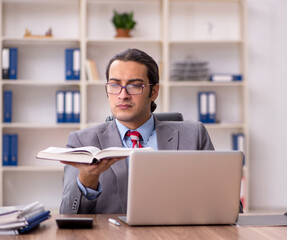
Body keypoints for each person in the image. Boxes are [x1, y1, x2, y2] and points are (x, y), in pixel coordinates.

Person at [59, 48, 214, 214]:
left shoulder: (194, 135)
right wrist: (87, 179)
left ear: (153, 92)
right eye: (114, 85)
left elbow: (227, 204)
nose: (123, 95)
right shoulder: (82, 141)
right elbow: (68, 215)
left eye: (134, 85)